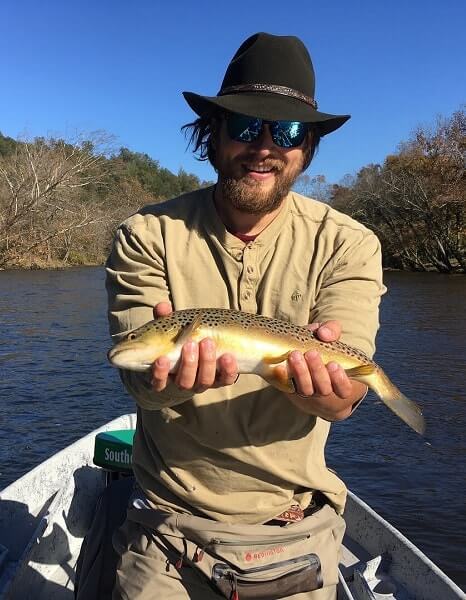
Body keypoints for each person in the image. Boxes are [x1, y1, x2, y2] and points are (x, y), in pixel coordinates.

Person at [106, 32, 385, 600]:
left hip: (294, 524)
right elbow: (138, 378)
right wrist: (161, 384)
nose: (264, 146)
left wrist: (326, 393)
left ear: (306, 148)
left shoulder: (350, 245)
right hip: (167, 524)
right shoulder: (146, 235)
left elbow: (344, 400)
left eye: (285, 131)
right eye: (243, 126)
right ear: (213, 134)